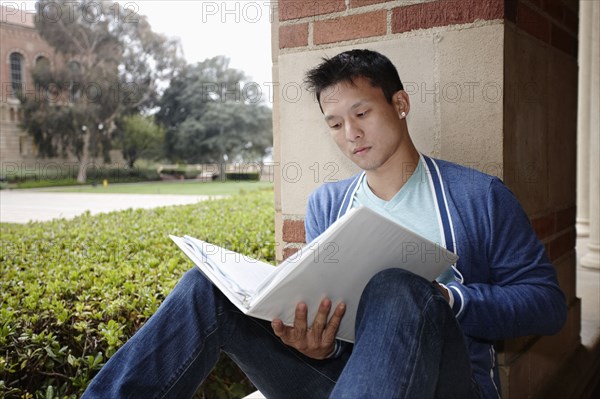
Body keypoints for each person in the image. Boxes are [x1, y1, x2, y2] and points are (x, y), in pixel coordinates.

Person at [82, 49, 566, 398]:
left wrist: (447, 297)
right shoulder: (329, 204)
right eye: (335, 123)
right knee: (203, 288)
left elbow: (546, 306)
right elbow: (334, 331)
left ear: (400, 104)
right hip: (345, 382)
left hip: (448, 384)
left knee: (397, 286)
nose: (351, 134)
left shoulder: (478, 196)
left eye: (362, 113)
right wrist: (317, 346)